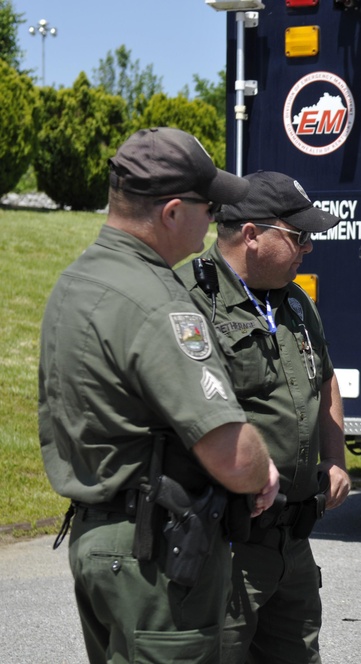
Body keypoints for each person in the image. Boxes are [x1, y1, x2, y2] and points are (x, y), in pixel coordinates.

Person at [38, 127, 280, 663]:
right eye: (209, 204)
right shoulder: (156, 301)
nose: (217, 218)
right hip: (157, 556)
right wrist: (262, 470)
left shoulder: (75, 283)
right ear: (172, 212)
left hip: (100, 539)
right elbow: (233, 455)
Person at [178, 170, 351, 664]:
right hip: (224, 541)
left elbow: (325, 378)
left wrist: (336, 459)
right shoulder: (190, 297)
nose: (309, 248)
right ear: (252, 235)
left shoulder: (294, 301)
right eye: (299, 236)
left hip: (291, 540)